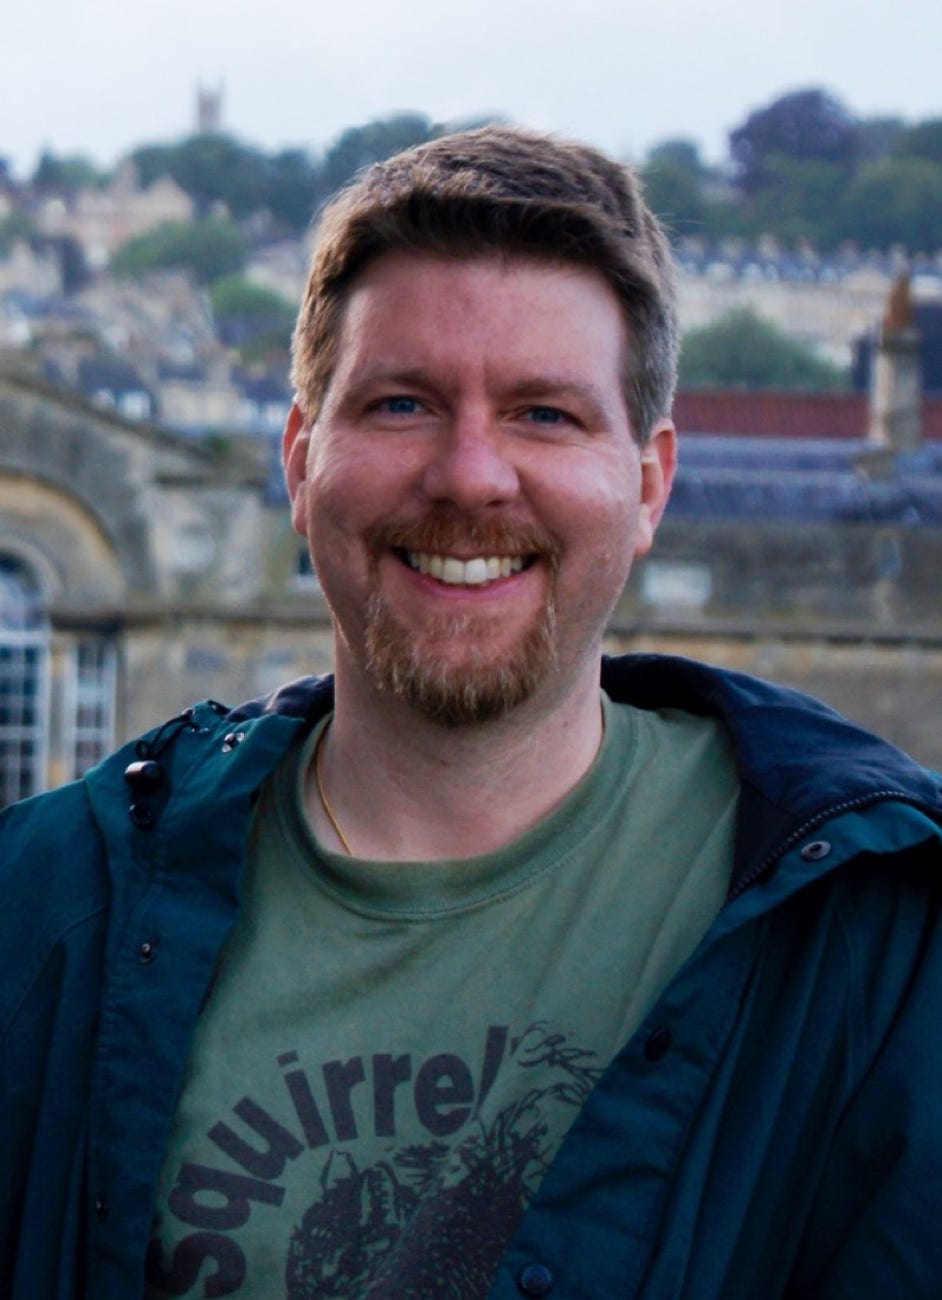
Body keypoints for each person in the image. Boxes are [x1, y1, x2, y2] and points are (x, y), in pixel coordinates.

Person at [2, 127, 941, 1300]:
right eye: (402, 403)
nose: (471, 476)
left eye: (546, 414)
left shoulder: (879, 936)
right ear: (299, 461)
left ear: (649, 485)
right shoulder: (41, 911)